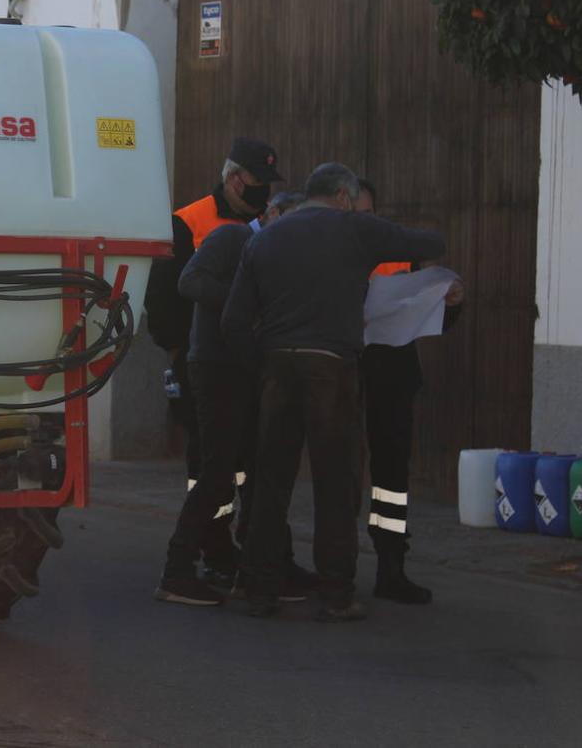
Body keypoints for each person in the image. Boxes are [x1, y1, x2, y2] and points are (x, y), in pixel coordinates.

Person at [222, 162, 446, 621]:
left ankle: (259, 588)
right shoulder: (353, 228)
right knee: (336, 482)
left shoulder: (263, 239)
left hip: (277, 366)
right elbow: (430, 244)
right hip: (331, 366)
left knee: (271, 482)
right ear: (344, 197)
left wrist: (261, 363)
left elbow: (232, 321)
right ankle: (336, 593)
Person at [154, 189, 312, 606]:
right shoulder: (233, 239)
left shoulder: (282, 257)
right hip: (216, 369)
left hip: (250, 372)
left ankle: (262, 566)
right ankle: (178, 570)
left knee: (260, 471)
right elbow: (189, 281)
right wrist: (247, 301)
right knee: (217, 472)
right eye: (292, 222)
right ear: (272, 213)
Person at [144, 137, 283, 586]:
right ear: (232, 177)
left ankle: (238, 546)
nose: (261, 191)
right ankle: (212, 544)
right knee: (208, 460)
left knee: (242, 457)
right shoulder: (190, 221)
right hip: (202, 359)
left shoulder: (263, 223)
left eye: (266, 184)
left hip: (247, 360)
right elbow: (163, 295)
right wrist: (177, 350)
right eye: (256, 182)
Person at [355, 179, 465, 605]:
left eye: (370, 215)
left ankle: (391, 566)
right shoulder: (329, 250)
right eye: (357, 216)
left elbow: (427, 313)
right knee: (340, 473)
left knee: (391, 479)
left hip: (392, 375)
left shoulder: (401, 251)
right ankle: (334, 567)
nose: (365, 224)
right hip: (344, 370)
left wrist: (452, 303)